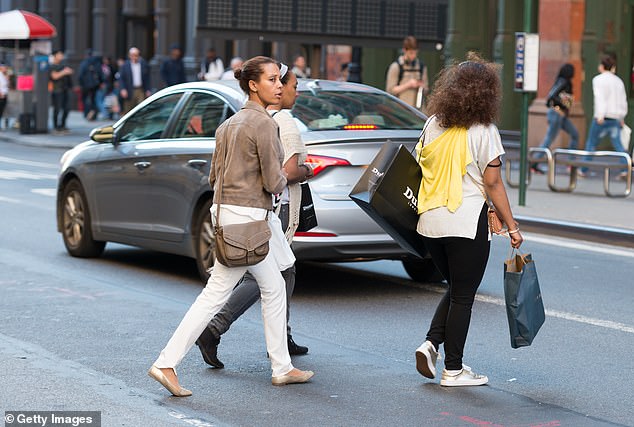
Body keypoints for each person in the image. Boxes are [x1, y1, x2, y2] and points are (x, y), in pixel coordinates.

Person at [148, 56, 314, 397]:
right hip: (249, 220)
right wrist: (299, 174)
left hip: (228, 215)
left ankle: (282, 367)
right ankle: (166, 362)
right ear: (254, 85)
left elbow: (214, 176)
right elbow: (273, 181)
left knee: (273, 285)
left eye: (280, 80)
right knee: (217, 295)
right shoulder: (265, 124)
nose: (279, 86)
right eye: (271, 80)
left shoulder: (229, 124)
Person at [412, 54, 523, 387]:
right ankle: (453, 369)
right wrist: (512, 225)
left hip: (429, 223)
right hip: (464, 221)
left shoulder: (433, 123)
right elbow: (492, 183)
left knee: (458, 287)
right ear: (486, 92)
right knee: (463, 295)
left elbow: (419, 162)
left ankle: (431, 343)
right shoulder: (484, 130)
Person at [195, 63, 313, 368]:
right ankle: (213, 330)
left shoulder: (253, 120)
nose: (293, 91)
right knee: (258, 275)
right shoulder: (279, 121)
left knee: (281, 271)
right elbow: (280, 175)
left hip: (255, 210)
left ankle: (278, 341)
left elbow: (217, 175)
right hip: (269, 210)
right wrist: (306, 170)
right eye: (289, 84)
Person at [579, 55, 629, 179]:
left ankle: (583, 169)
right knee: (618, 144)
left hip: (602, 117)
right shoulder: (618, 81)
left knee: (591, 143)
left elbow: (600, 98)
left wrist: (600, 115)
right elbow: (623, 100)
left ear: (602, 66)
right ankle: (625, 169)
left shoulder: (598, 80)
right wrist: (621, 116)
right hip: (615, 117)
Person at [530, 64, 579, 174]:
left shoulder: (565, 82)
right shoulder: (563, 81)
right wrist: (564, 102)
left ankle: (571, 163)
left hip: (561, 115)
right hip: (556, 113)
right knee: (549, 139)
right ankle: (534, 163)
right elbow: (552, 96)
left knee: (575, 134)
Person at [386, 36, 428, 110]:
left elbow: (426, 89)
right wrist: (408, 85)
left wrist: (421, 85)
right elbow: (390, 91)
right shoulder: (396, 67)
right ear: (405, 50)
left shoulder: (421, 66)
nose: (413, 56)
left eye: (415, 53)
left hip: (418, 110)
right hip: (401, 110)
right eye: (411, 53)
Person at [119, 47, 151, 115]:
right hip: (129, 89)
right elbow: (121, 78)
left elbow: (147, 78)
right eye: (133, 55)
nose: (134, 57)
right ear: (129, 55)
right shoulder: (125, 65)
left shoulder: (143, 64)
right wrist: (123, 89)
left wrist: (148, 89)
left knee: (141, 108)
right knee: (128, 109)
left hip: (140, 89)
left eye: (136, 55)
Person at [48, 50, 73, 133]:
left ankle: (63, 125)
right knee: (57, 109)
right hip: (56, 90)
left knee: (67, 108)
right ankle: (56, 127)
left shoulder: (63, 65)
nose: (61, 56)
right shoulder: (52, 66)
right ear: (54, 56)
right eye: (59, 55)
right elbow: (54, 76)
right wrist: (64, 72)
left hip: (65, 89)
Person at [78, 49, 103, 121]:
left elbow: (80, 75)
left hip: (85, 85)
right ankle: (94, 114)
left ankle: (87, 113)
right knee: (94, 100)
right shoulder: (97, 63)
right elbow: (100, 74)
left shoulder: (84, 63)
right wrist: (100, 82)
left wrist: (81, 84)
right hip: (95, 85)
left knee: (85, 99)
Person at [0, 63, 8, 130]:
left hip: (4, 95)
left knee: (2, 111)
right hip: (1, 96)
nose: (5, 69)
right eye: (4, 67)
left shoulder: (4, 75)